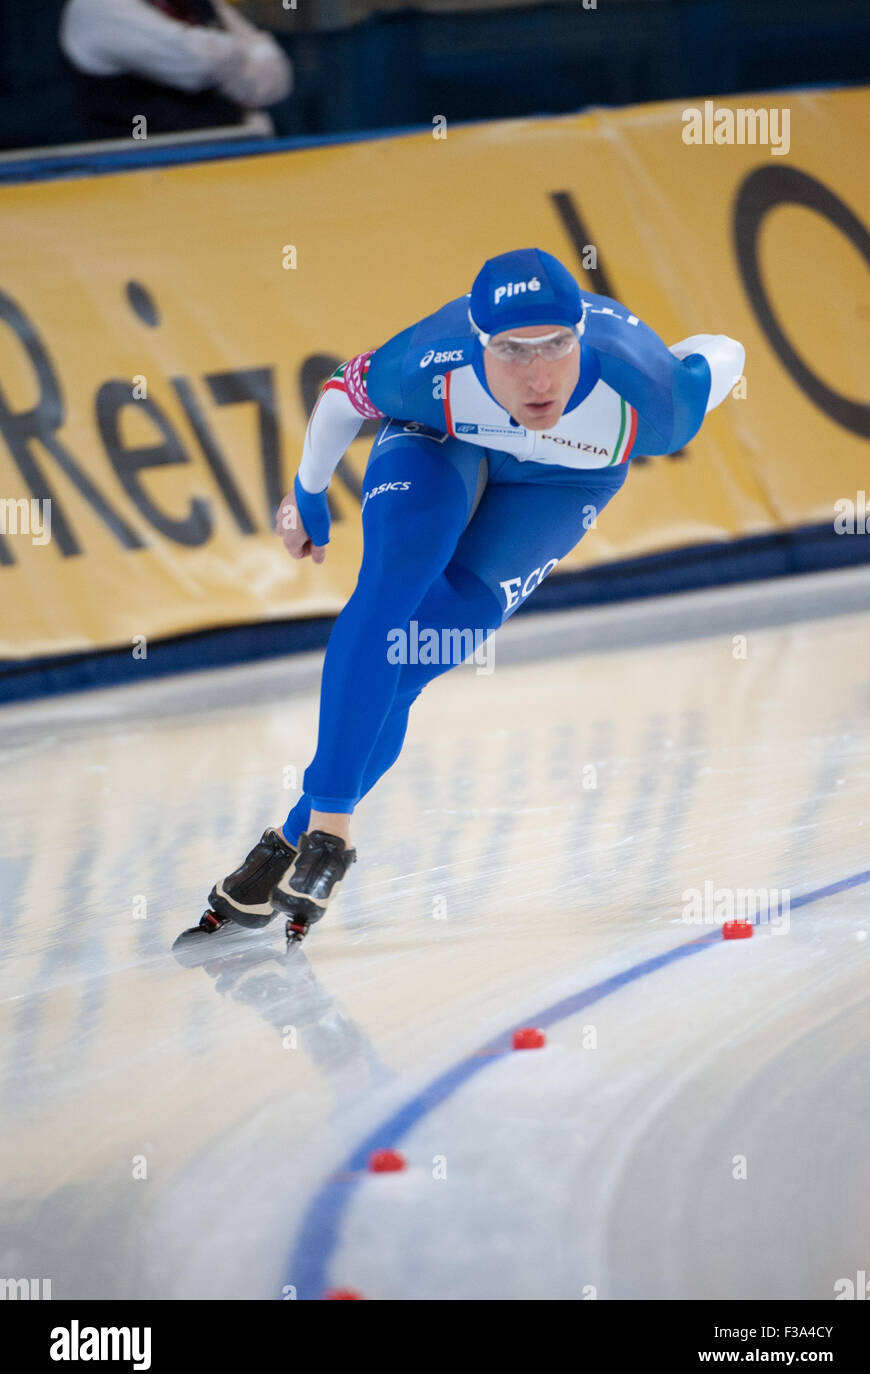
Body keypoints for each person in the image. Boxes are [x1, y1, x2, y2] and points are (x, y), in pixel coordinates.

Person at [195, 247, 745, 941]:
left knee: (411, 665)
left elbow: (723, 350)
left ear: (581, 335)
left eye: (557, 346)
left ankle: (281, 847)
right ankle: (330, 837)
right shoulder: (430, 366)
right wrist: (306, 493)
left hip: (562, 481)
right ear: (479, 346)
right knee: (389, 588)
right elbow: (340, 392)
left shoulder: (655, 399)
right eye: (512, 351)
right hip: (443, 436)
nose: (538, 374)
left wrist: (676, 355)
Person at [59, 0, 293, 141]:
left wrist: (220, 53)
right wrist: (241, 53)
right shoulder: (97, 8)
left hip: (233, 160)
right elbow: (200, 64)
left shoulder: (198, 3)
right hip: (141, 175)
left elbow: (275, 77)